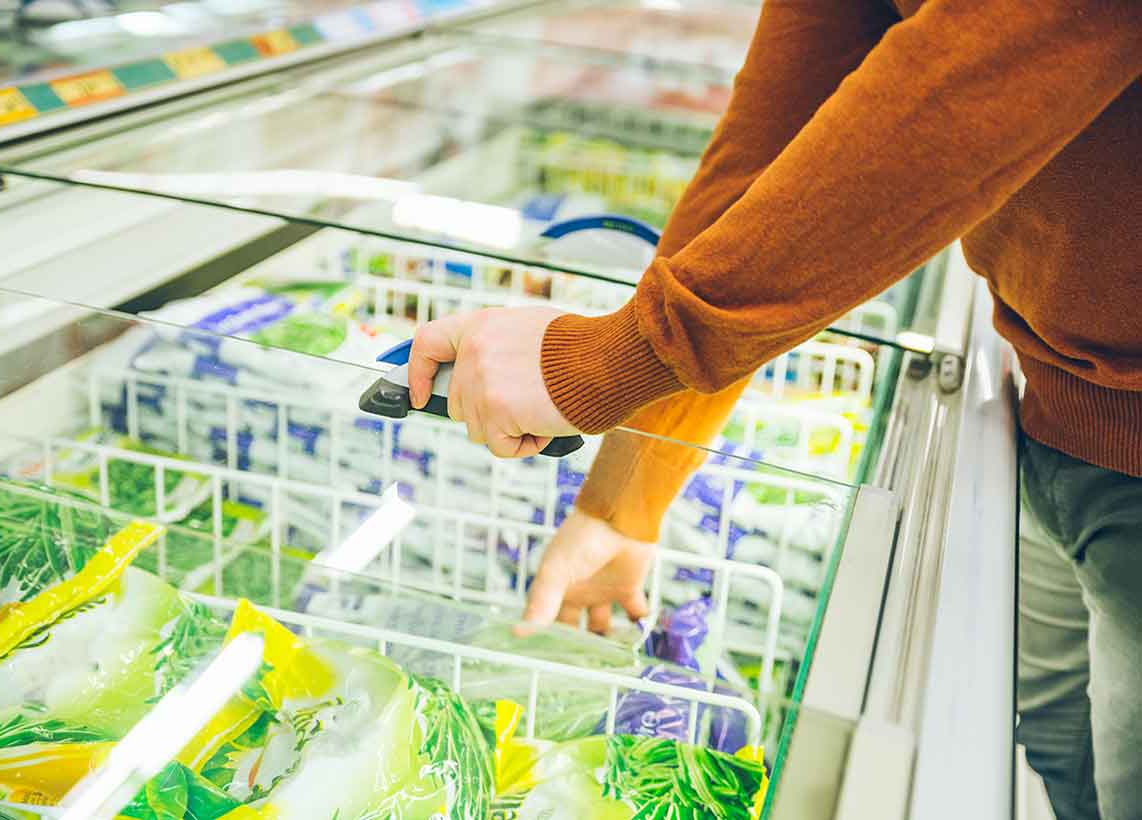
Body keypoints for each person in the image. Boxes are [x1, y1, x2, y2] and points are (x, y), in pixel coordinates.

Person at [406, 1, 1141, 817]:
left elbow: (981, 71)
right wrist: (625, 501)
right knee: (1058, 748)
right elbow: (760, 160)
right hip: (1058, 405)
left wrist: (610, 360)